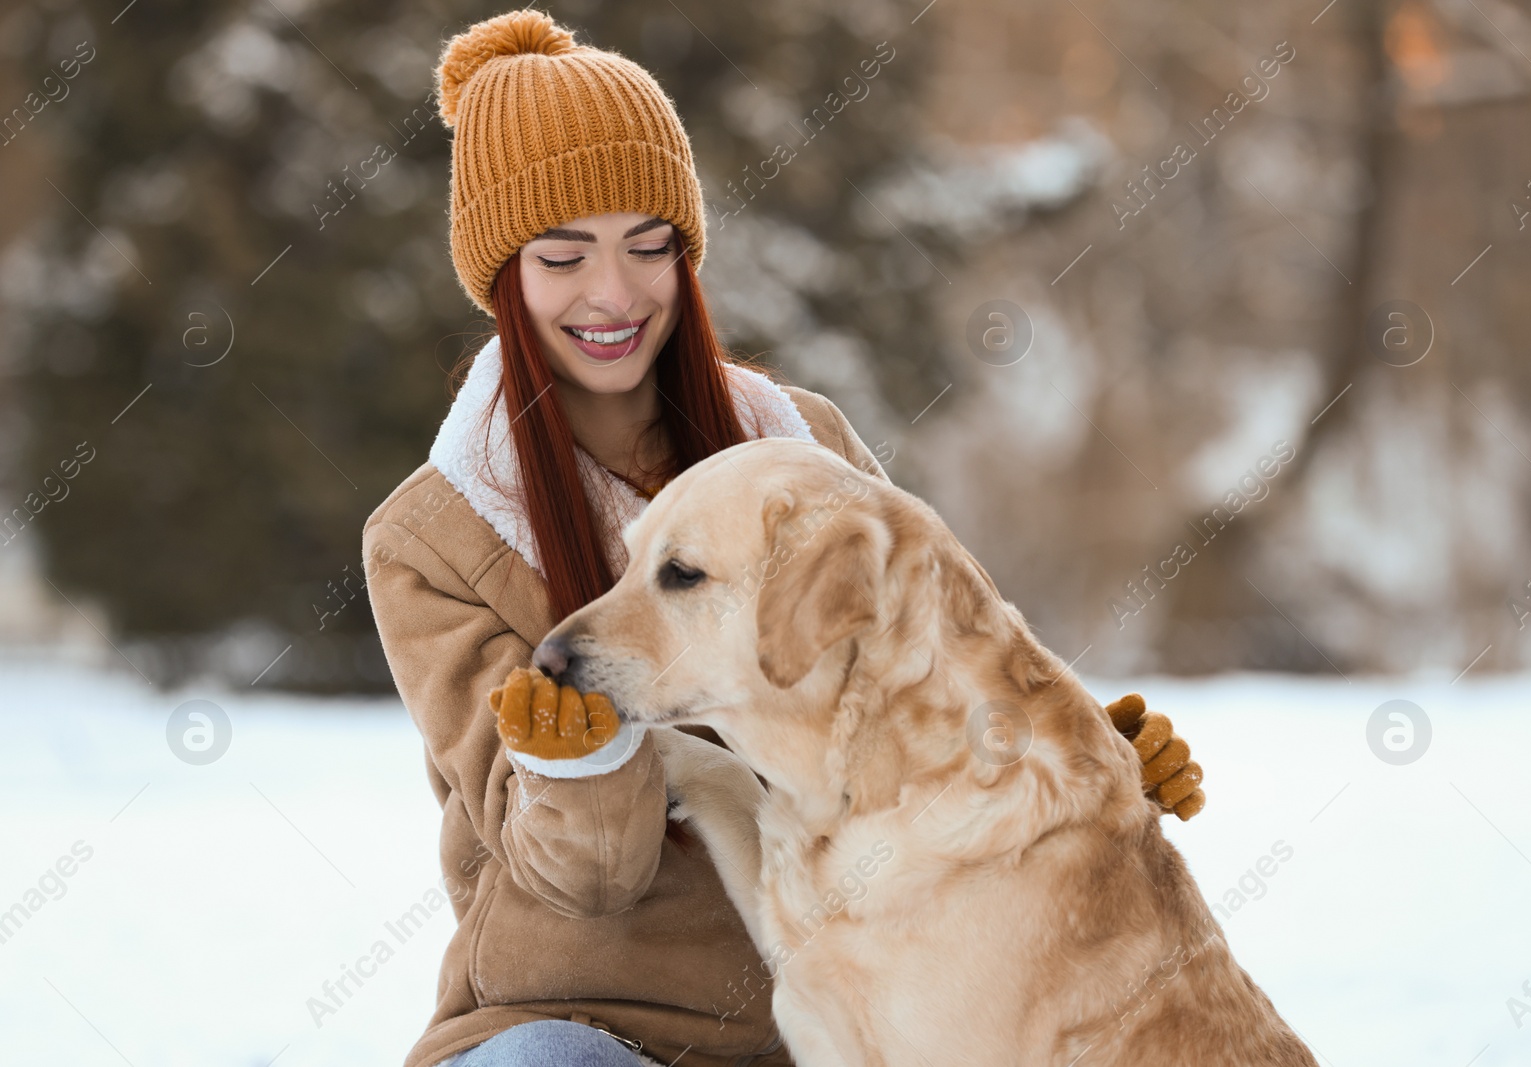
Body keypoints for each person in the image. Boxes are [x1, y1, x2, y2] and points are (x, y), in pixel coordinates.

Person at [361, 9, 1204, 1067]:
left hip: (833, 1005)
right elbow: (582, 879)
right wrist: (579, 761)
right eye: (563, 255)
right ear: (504, 275)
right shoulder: (429, 537)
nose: (613, 293)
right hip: (579, 1019)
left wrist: (1073, 754)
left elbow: (918, 670)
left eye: (648, 245)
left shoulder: (800, 447)